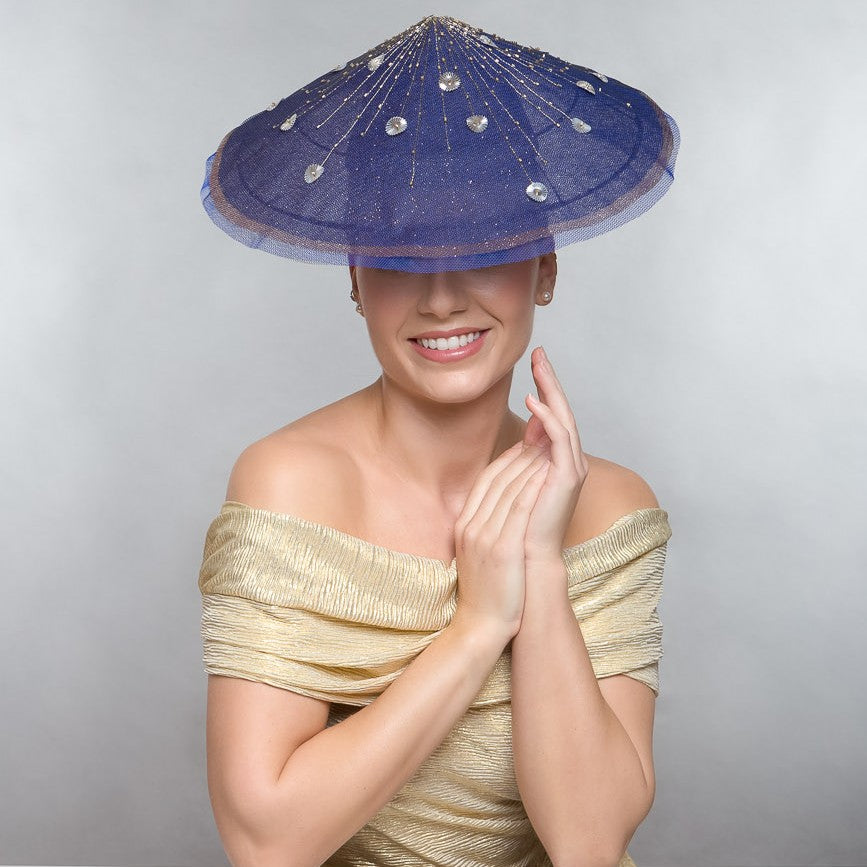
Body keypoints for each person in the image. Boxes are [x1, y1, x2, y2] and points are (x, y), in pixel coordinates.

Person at [197, 15, 679, 867]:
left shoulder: (609, 504)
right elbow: (266, 842)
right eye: (399, 254)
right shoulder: (292, 482)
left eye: (482, 247)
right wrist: (478, 621)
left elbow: (590, 842)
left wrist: (536, 565)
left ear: (545, 268)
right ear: (354, 278)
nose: (443, 297)